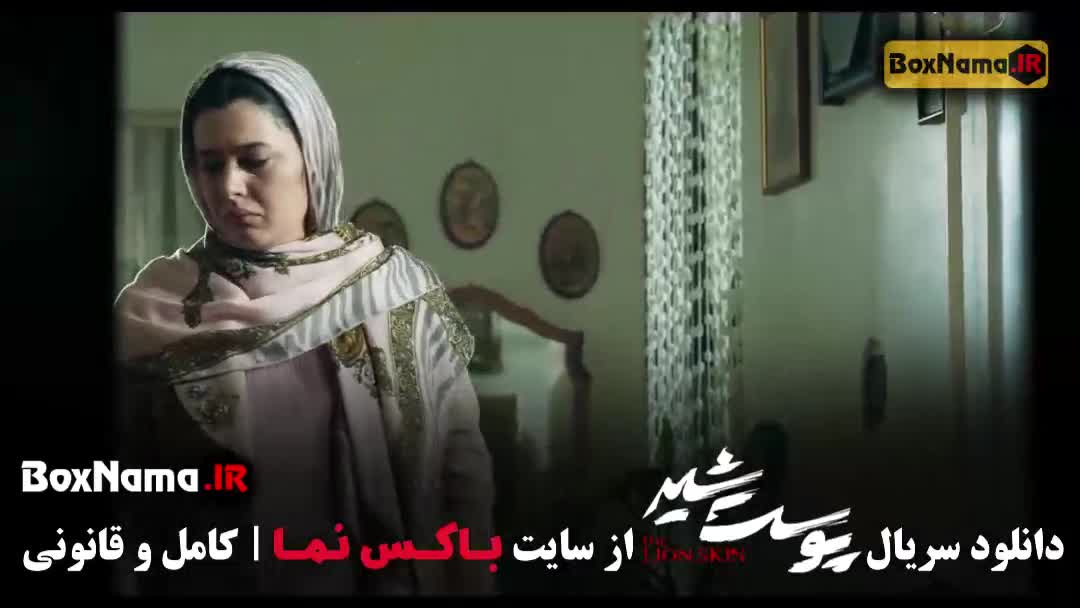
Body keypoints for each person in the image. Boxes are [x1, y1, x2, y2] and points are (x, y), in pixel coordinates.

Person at [113, 51, 495, 596]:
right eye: (210, 165)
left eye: (254, 160)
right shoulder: (155, 311)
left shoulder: (394, 293)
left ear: (311, 159)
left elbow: (463, 479)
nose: (229, 187)